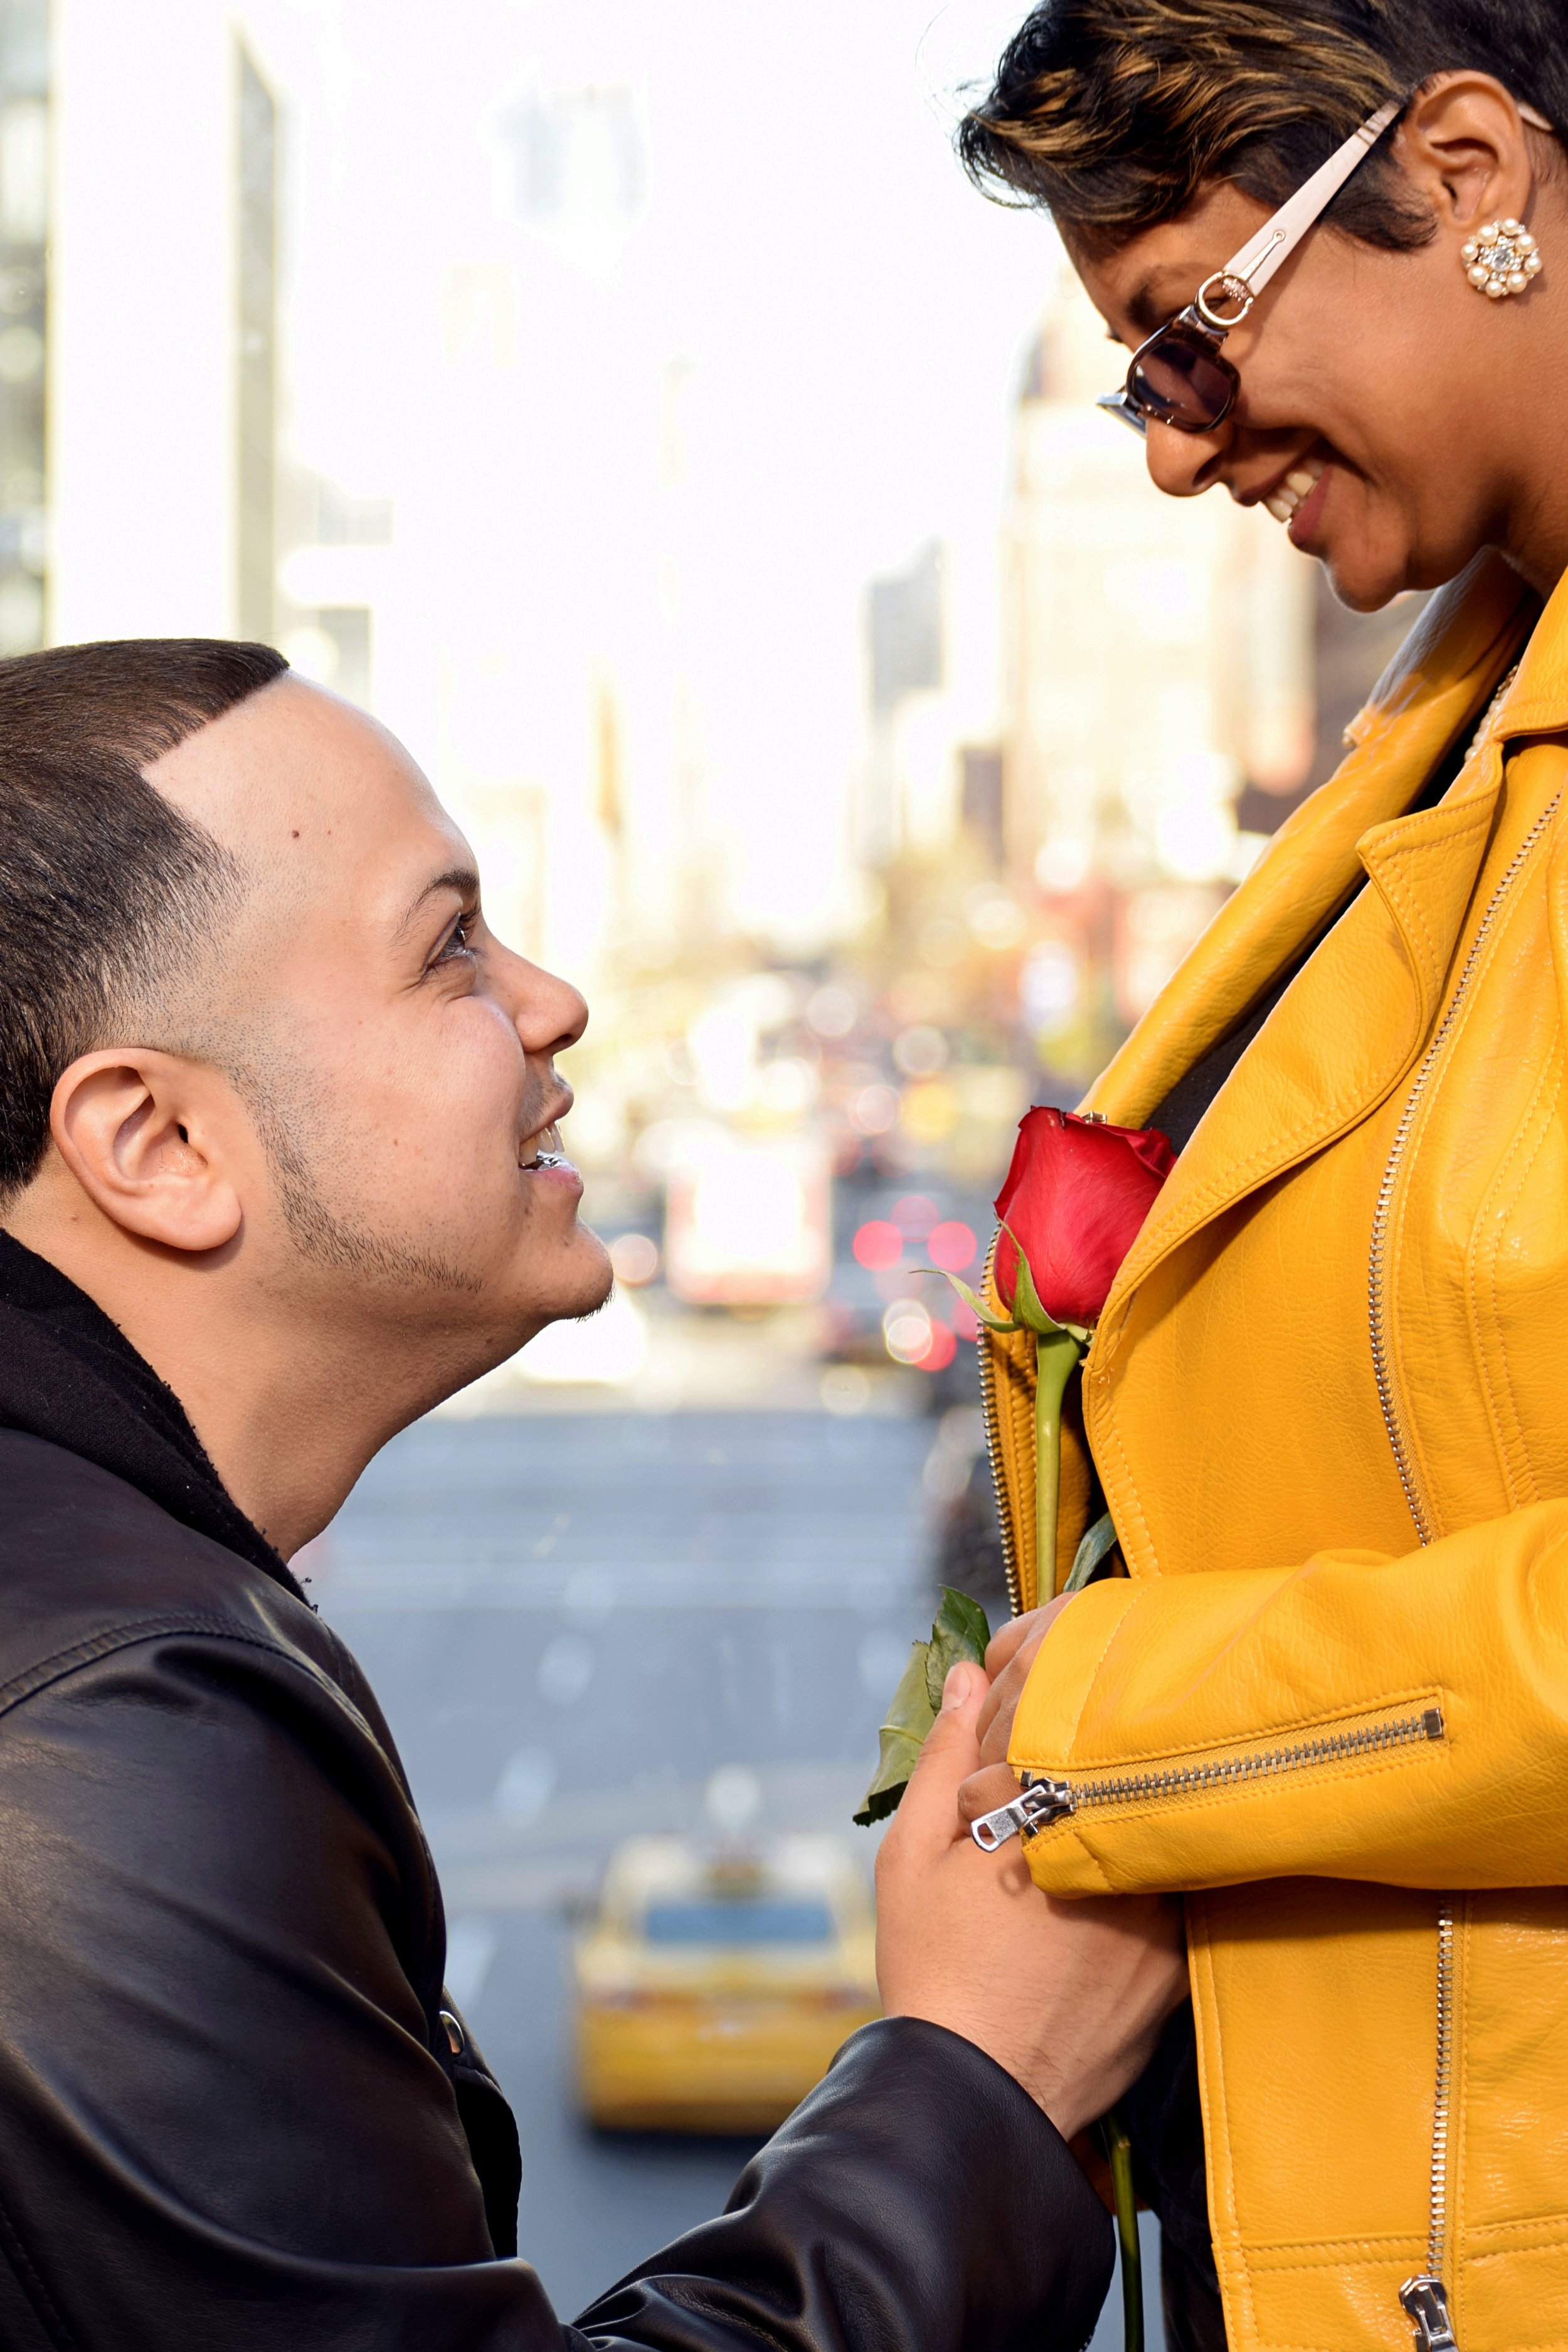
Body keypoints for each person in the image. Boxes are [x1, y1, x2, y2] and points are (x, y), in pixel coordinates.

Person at [0, 638, 1186, 2351]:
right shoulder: (111, 1723)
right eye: (448, 949)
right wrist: (980, 2080)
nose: (552, 1002)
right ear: (161, 1147)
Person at [950, 4, 1568, 2349]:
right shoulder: (1429, 759)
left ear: (1474, 175)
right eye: (1132, 384)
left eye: (1184, 340)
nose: (1173, 458)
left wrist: (1102, 1732)